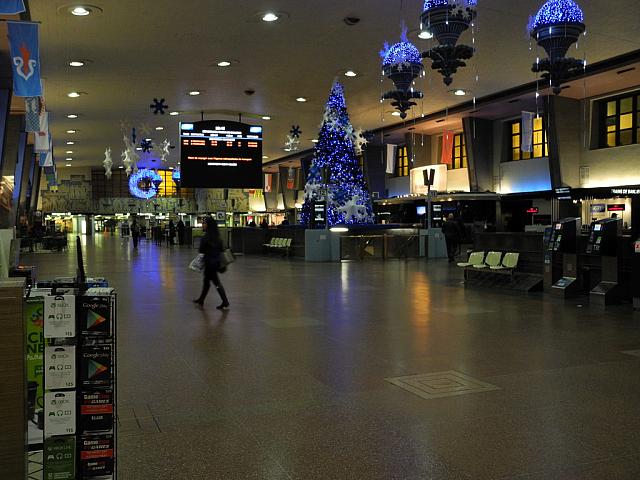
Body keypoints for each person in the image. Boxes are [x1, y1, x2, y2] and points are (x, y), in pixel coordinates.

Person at [194, 217, 230, 310]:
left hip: (209, 263)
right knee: (207, 281)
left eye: (205, 223)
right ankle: (201, 299)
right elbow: (222, 250)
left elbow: (201, 250)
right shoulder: (218, 238)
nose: (203, 225)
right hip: (216, 263)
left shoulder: (205, 238)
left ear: (208, 225)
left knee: (215, 282)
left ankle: (225, 301)